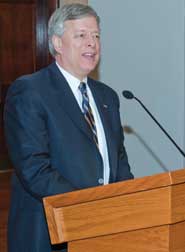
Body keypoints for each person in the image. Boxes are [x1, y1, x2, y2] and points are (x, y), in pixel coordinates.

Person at [4, 4, 134, 252]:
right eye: (81, 35)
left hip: (104, 232)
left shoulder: (107, 97)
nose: (92, 43)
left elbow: (118, 160)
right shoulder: (30, 91)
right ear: (57, 43)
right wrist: (88, 208)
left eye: (96, 36)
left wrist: (126, 204)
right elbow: (35, 169)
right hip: (49, 235)